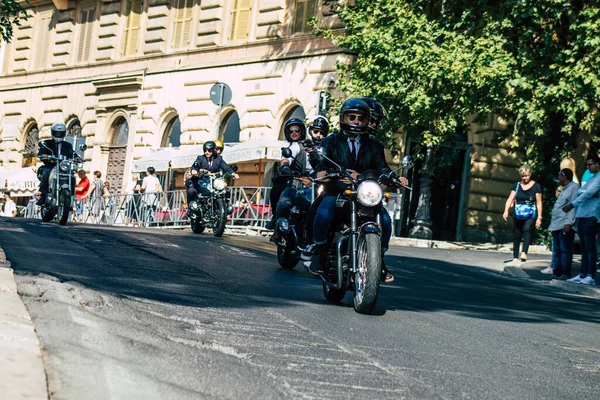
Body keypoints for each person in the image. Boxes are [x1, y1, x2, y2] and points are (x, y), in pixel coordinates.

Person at [305, 98, 397, 282]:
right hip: (337, 191)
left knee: (385, 220)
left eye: (360, 118)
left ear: (365, 120)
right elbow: (321, 160)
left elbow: (382, 167)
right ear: (343, 118)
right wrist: (323, 170)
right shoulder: (331, 142)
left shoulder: (374, 146)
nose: (356, 121)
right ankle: (320, 252)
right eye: (351, 117)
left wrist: (393, 176)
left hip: (365, 194)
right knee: (323, 214)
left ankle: (378, 259)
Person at [269, 118, 313, 243]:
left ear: (302, 131)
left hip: (315, 184)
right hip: (296, 182)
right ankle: (278, 228)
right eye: (291, 131)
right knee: (285, 202)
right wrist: (285, 166)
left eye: (297, 130)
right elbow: (285, 158)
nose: (294, 133)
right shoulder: (294, 146)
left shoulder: (312, 146)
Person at [562, 154, 600, 285]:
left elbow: (589, 193)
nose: (588, 167)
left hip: (592, 215)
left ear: (597, 164)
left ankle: (590, 275)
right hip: (582, 214)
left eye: (590, 164)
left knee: (590, 247)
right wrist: (585, 193)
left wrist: (572, 204)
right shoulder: (592, 177)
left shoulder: (599, 178)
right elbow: (582, 191)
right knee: (584, 248)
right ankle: (582, 274)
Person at [541, 169, 578, 278]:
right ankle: (557, 271)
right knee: (557, 249)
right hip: (557, 224)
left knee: (564, 249)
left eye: (559, 176)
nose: (558, 178)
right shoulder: (564, 189)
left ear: (565, 176)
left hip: (564, 224)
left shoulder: (574, 187)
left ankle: (565, 272)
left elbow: (573, 206)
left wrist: (569, 223)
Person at [502, 164, 543, 262]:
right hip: (518, 213)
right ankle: (515, 256)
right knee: (517, 234)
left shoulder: (536, 187)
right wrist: (506, 211)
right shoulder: (516, 185)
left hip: (530, 214)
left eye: (526, 176)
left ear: (530, 174)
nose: (524, 178)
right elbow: (510, 199)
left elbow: (539, 203)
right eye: (523, 176)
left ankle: (524, 252)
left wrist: (539, 217)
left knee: (527, 229)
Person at [37, 122, 76, 206]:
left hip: (63, 166)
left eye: (60, 133)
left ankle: (71, 198)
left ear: (64, 133)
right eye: (56, 133)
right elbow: (41, 152)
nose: (58, 135)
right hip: (51, 165)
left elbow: (72, 153)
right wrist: (43, 155)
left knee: (72, 177)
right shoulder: (47, 143)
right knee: (46, 173)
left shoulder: (68, 145)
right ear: (52, 132)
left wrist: (77, 158)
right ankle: (43, 195)